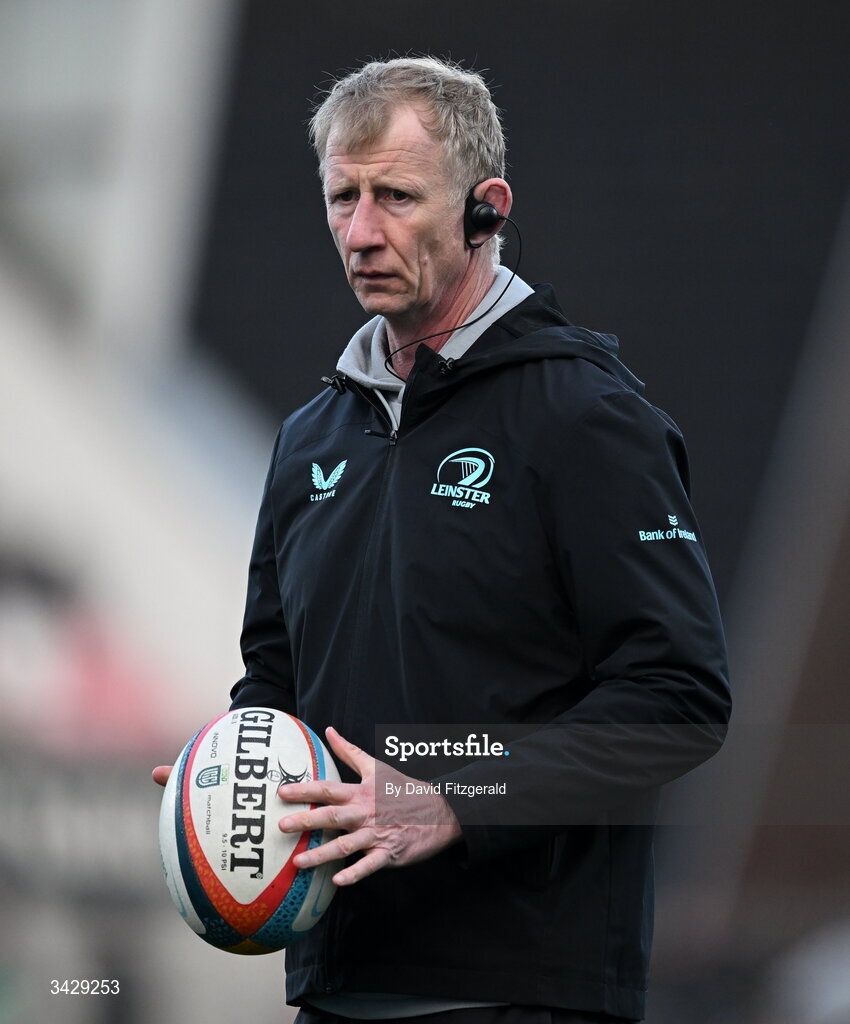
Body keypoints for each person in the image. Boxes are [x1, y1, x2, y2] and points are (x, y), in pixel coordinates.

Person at [155, 56, 730, 1024]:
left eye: (396, 196)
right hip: (338, 979)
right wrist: (237, 769)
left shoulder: (585, 416)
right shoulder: (311, 436)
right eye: (343, 196)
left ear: (485, 207)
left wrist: (457, 793)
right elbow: (274, 679)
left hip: (522, 985)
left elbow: (676, 698)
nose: (362, 232)